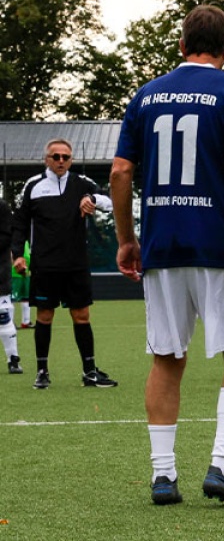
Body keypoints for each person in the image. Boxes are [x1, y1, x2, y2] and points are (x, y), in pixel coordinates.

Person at [111, 4, 224, 506]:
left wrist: (126, 238)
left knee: (166, 358)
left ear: (181, 46)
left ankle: (163, 477)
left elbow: (120, 171)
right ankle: (220, 467)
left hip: (162, 244)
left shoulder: (146, 94)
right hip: (219, 243)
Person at [11, 138, 117, 389]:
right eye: (56, 157)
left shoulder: (83, 184)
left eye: (65, 157)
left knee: (81, 316)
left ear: (71, 160)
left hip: (76, 263)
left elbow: (110, 203)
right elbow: (20, 224)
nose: (61, 161)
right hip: (45, 265)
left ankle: (90, 372)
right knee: (44, 317)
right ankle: (42, 372)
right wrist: (17, 254)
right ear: (46, 159)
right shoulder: (33, 186)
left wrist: (91, 198)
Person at [1, 197, 21, 374]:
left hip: (0, 271)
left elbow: (8, 235)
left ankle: (13, 359)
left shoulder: (2, 207)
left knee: (3, 317)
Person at [12, 241, 31, 328]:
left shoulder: (26, 239)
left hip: (27, 272)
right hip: (14, 273)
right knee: (12, 298)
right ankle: (10, 322)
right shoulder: (11, 238)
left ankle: (26, 322)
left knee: (26, 297)